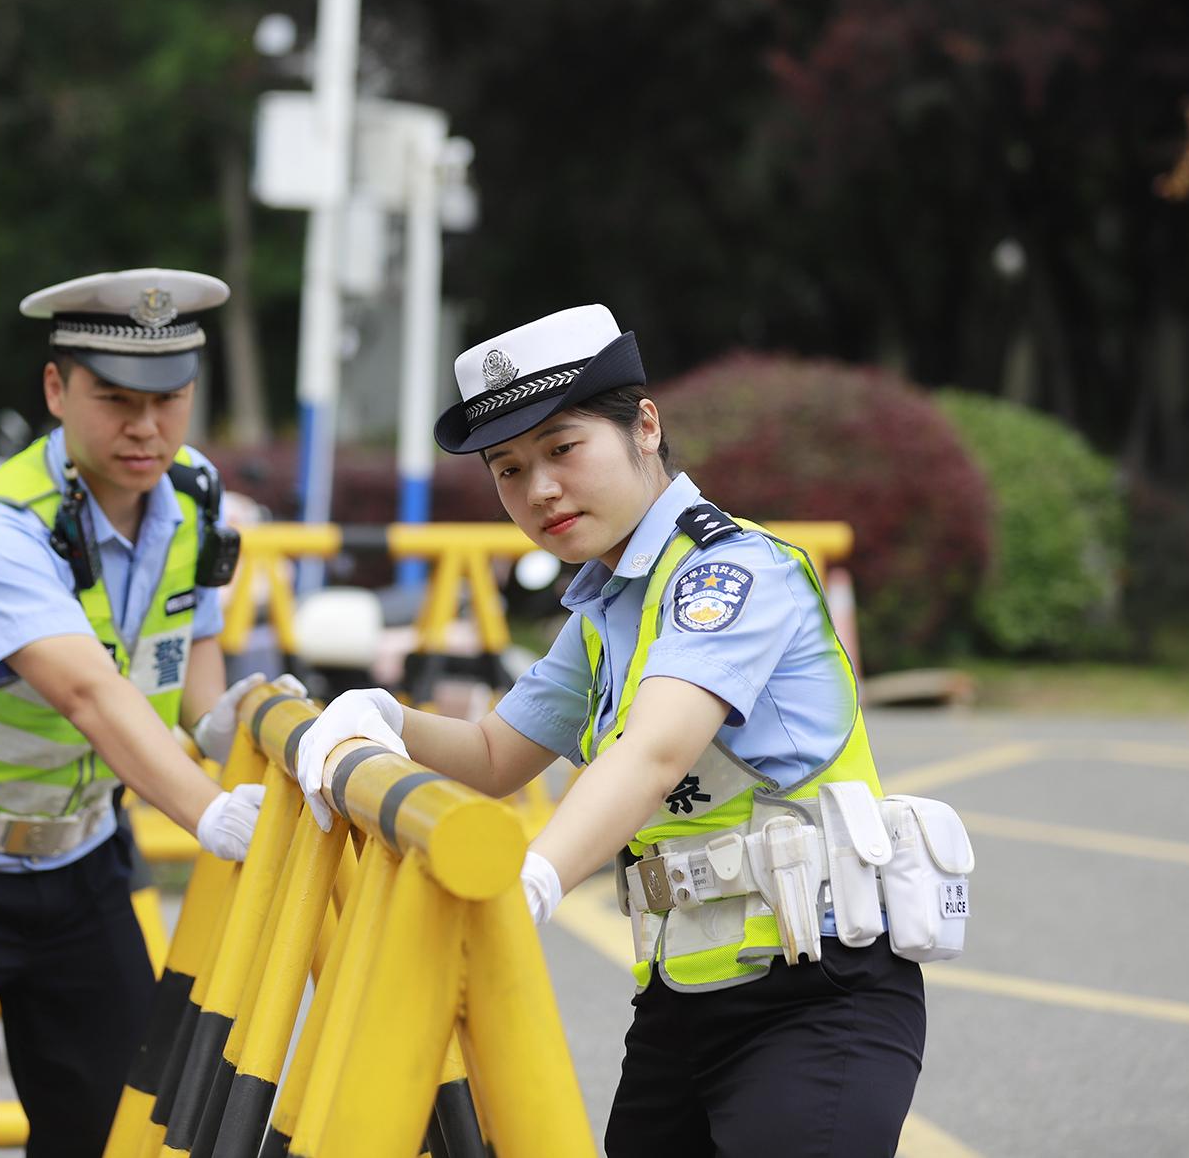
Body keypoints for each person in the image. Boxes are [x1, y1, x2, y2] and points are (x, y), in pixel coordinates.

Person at [294, 305, 928, 1157]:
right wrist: (380, 716)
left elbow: (654, 752)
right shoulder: (606, 609)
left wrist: (531, 879)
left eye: (563, 448)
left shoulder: (729, 572)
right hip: (681, 1000)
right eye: (509, 469)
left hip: (816, 993)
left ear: (646, 426)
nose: (539, 490)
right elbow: (493, 756)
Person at [0, 269, 273, 1158]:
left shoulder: (194, 492)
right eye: (116, 399)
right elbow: (88, 692)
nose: (146, 427)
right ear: (56, 388)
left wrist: (225, 721)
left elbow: (188, 639)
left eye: (170, 399)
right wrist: (210, 811)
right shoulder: (1, 530)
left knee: (114, 1133)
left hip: (81, 865)